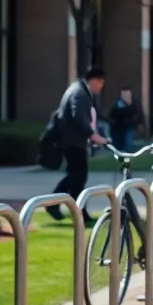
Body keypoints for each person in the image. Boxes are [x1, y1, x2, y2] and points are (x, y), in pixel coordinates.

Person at [47, 67, 108, 221]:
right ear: (93, 80)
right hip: (72, 142)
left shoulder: (79, 90)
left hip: (72, 141)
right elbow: (78, 117)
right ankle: (70, 209)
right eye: (101, 82)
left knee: (76, 177)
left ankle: (70, 209)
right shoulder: (79, 94)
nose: (101, 86)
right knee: (78, 176)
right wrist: (93, 136)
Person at [108, 87, 144, 152]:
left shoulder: (135, 102)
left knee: (128, 142)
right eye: (124, 95)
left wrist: (140, 123)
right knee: (119, 143)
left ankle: (128, 153)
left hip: (129, 125)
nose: (126, 96)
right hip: (119, 126)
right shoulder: (118, 104)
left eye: (128, 94)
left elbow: (138, 113)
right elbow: (113, 114)